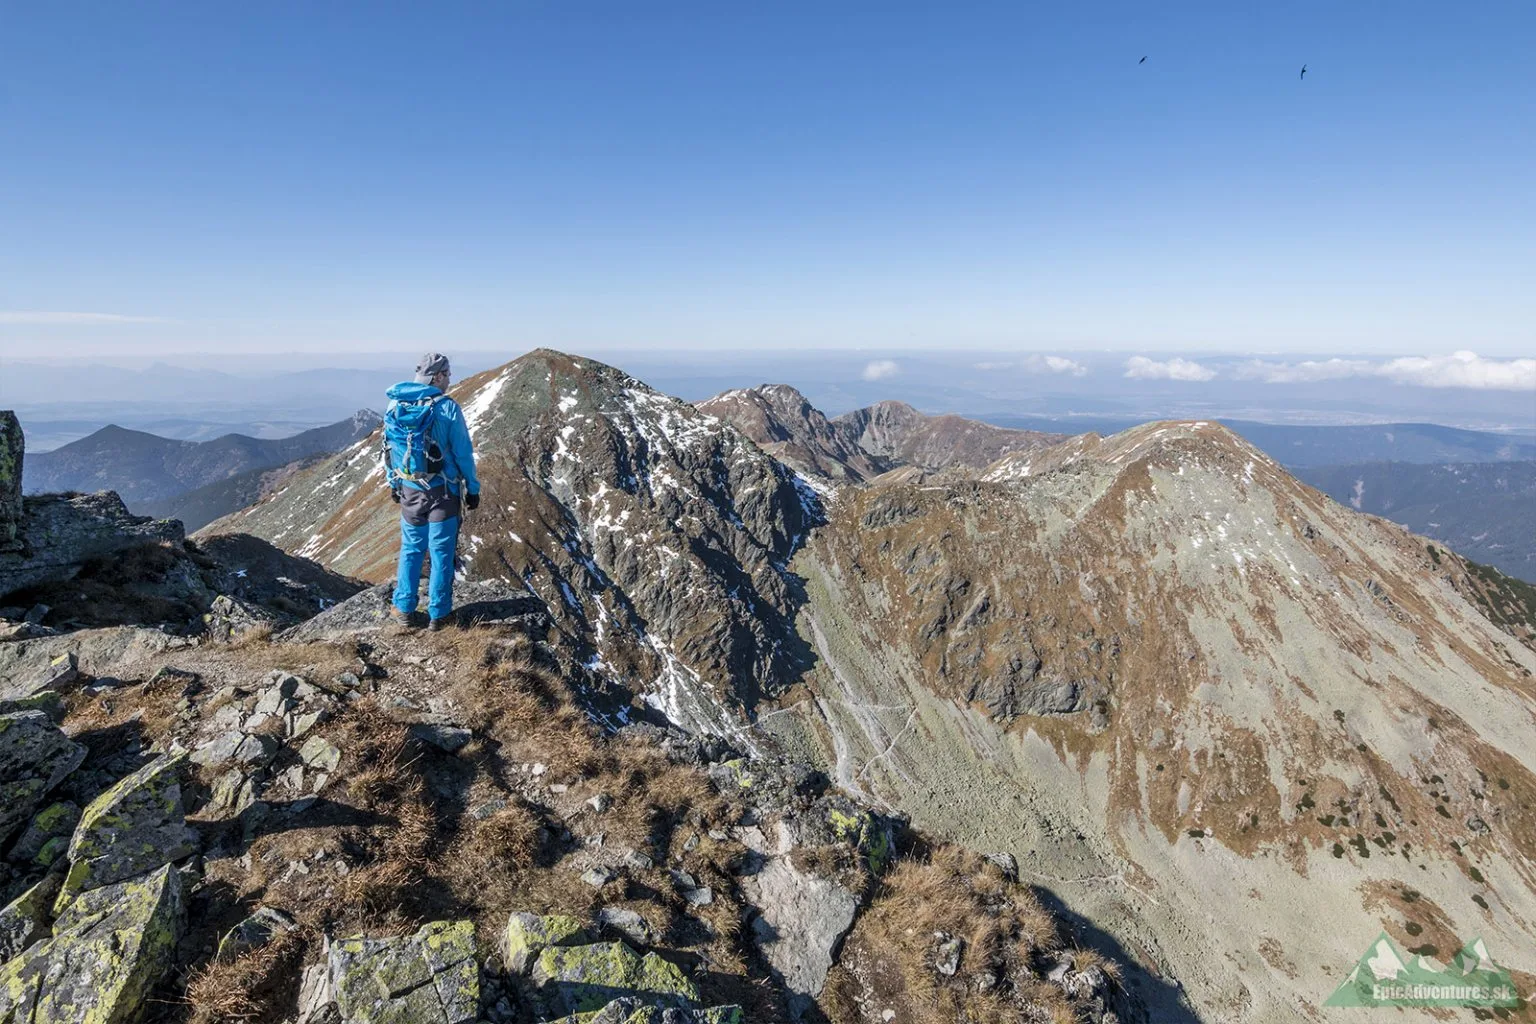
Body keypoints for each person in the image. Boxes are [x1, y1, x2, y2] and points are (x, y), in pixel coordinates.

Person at [384, 352, 481, 630]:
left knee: (411, 549)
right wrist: (472, 489)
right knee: (441, 553)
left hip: (410, 489)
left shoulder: (395, 404)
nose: (450, 380)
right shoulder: (447, 408)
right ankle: (439, 615)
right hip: (444, 492)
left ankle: (404, 609)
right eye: (448, 375)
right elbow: (464, 454)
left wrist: (394, 483)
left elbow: (389, 451)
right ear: (437, 376)